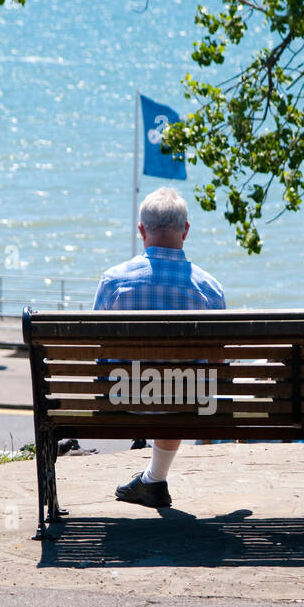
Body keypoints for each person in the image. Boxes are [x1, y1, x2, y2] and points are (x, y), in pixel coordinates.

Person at [93, 186, 226, 508]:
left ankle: (153, 482)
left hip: (122, 396)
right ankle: (154, 480)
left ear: (142, 230)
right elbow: (221, 359)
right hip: (189, 400)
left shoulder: (113, 282)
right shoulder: (208, 288)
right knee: (182, 385)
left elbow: (94, 349)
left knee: (156, 381)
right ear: (186, 231)